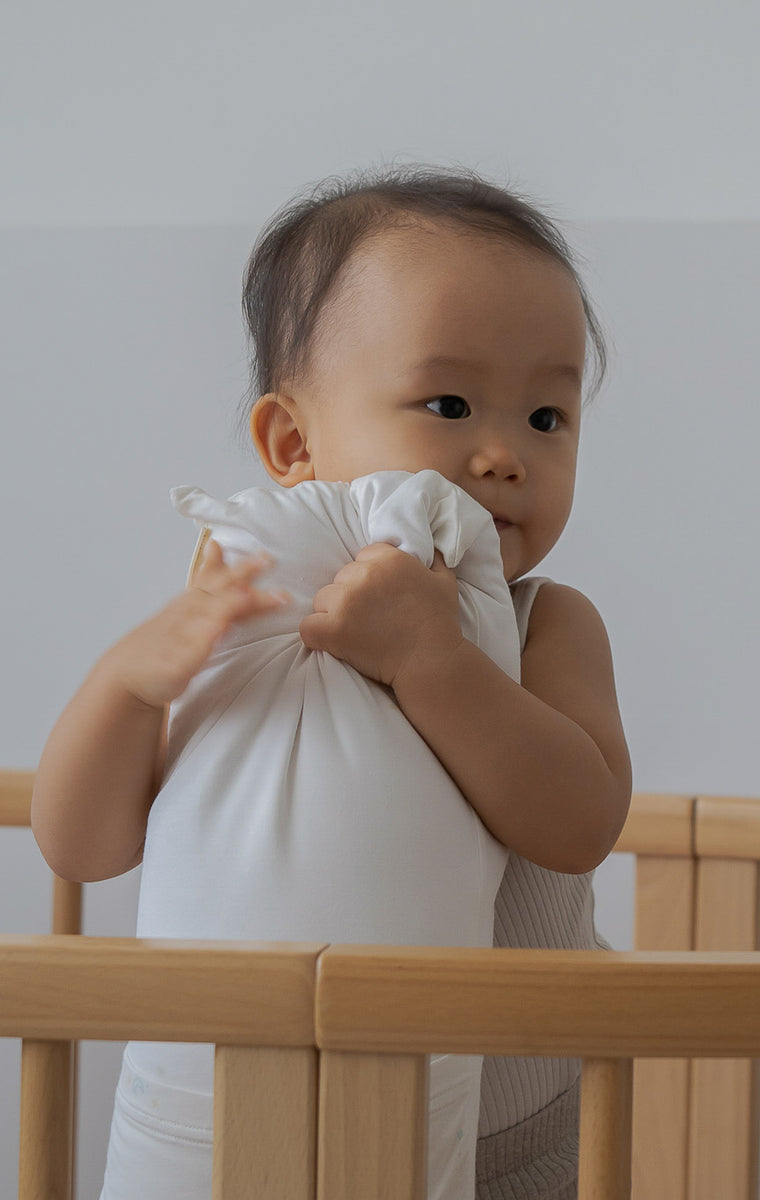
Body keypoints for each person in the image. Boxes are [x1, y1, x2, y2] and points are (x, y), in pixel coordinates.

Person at [32, 166, 632, 1200]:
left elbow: (578, 823)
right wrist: (129, 687)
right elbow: (81, 846)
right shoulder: (234, 609)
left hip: (510, 1122)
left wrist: (434, 662)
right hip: (250, 1105)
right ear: (295, 445)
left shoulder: (549, 626)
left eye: (547, 417)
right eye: (450, 404)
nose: (503, 456)